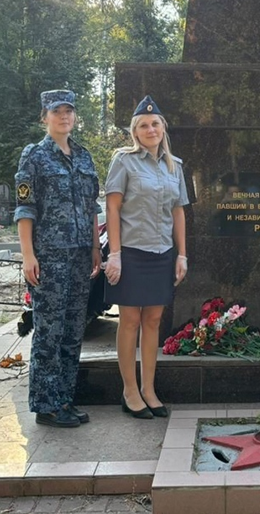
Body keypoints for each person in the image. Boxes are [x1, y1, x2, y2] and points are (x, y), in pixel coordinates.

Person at [14, 89, 102, 428]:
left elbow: (92, 208)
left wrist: (96, 247)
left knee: (72, 331)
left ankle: (65, 399)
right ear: (44, 117)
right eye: (57, 111)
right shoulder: (34, 157)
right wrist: (28, 255)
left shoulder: (84, 157)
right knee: (48, 332)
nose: (64, 116)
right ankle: (46, 405)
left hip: (81, 255)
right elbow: (25, 209)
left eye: (69, 111)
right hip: (48, 257)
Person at [103, 95, 189, 420]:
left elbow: (178, 211)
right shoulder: (124, 161)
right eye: (143, 125)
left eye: (155, 124)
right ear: (135, 132)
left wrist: (182, 254)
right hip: (132, 253)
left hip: (162, 253)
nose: (150, 129)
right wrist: (115, 254)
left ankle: (149, 389)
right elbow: (113, 207)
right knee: (130, 321)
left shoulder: (174, 166)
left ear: (163, 127)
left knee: (153, 321)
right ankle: (129, 390)